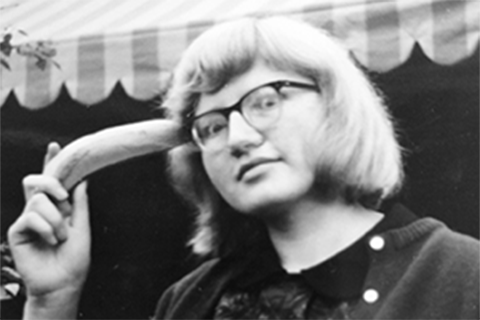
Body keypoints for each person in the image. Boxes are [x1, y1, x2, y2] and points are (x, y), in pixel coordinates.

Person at [7, 15, 480, 320]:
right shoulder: (188, 303)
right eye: (211, 125)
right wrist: (51, 302)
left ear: (336, 105)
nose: (239, 137)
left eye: (266, 101)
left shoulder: (459, 275)